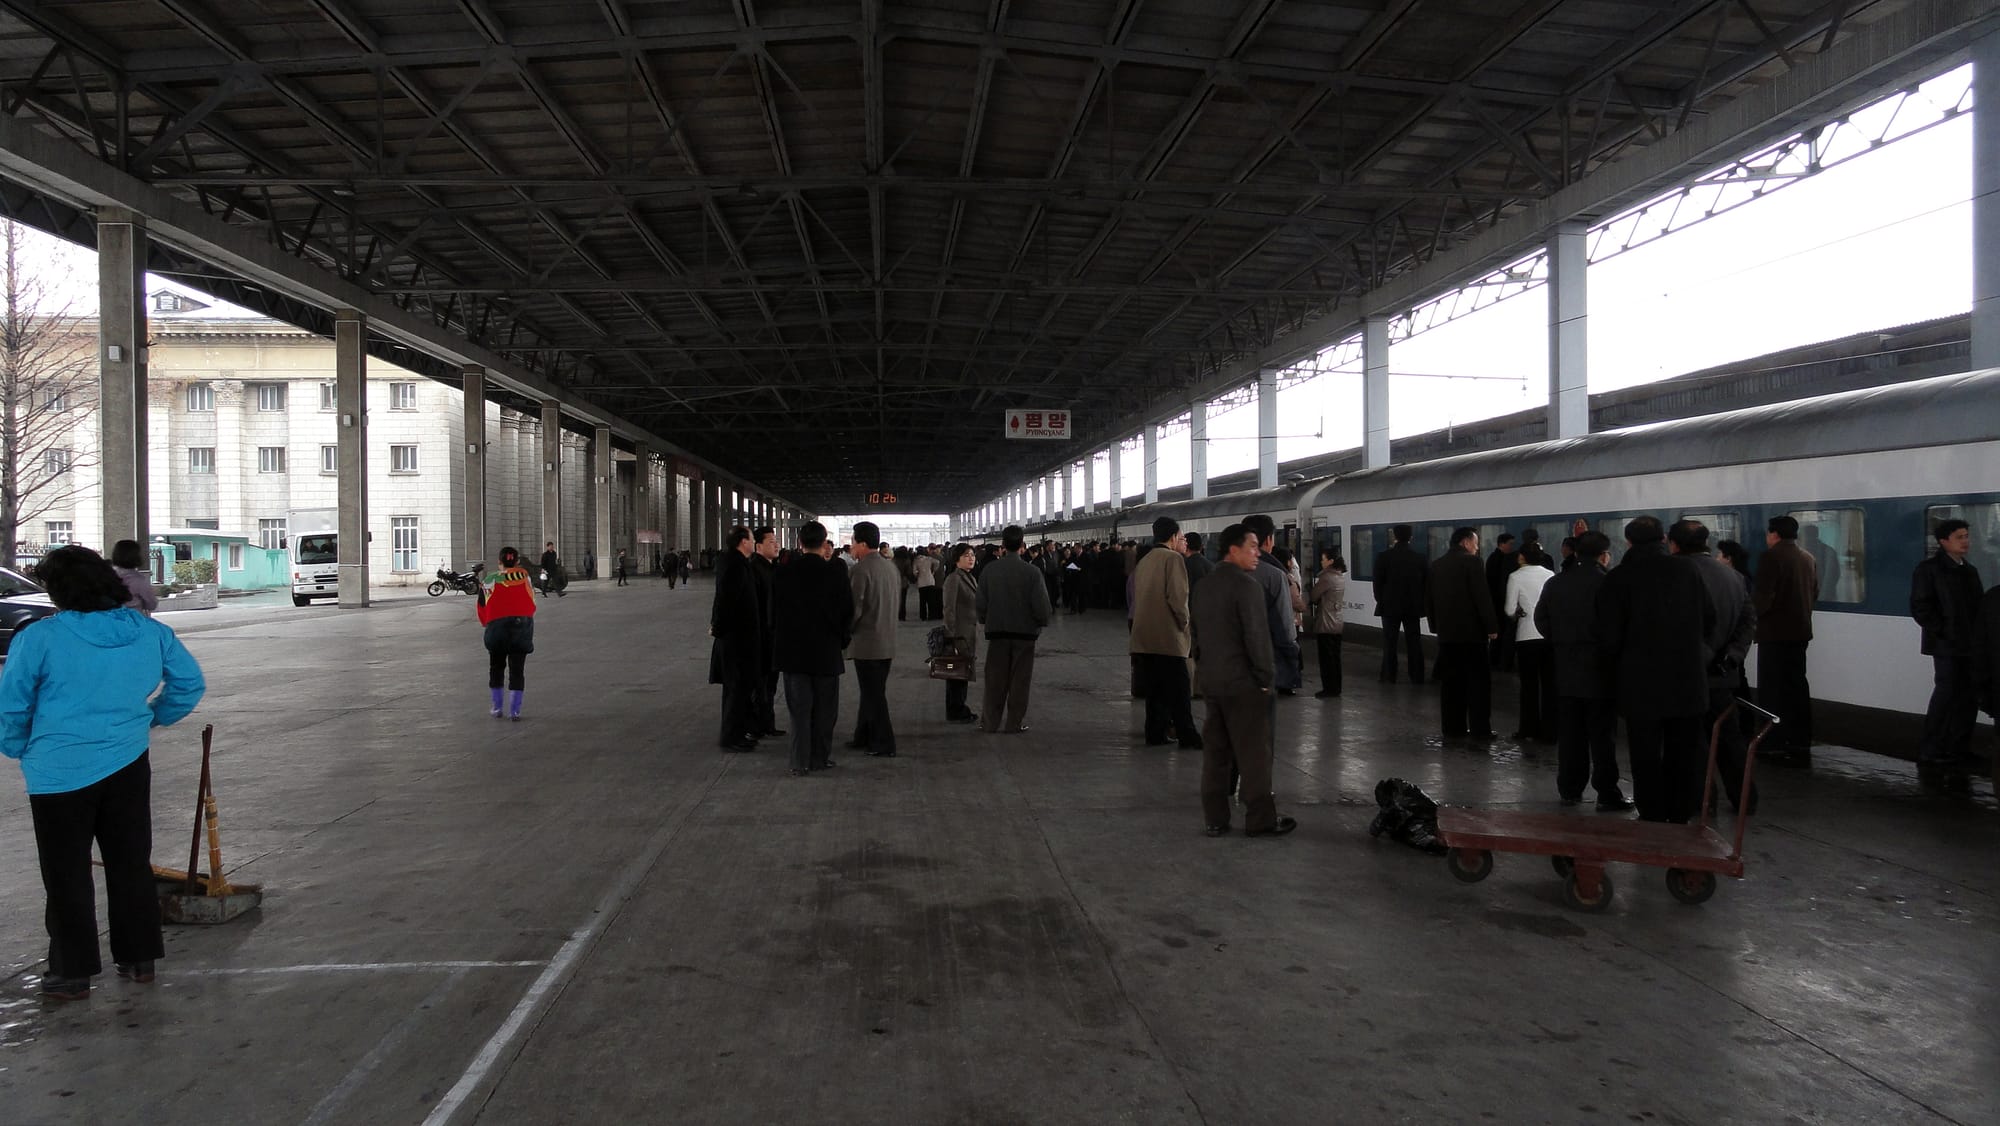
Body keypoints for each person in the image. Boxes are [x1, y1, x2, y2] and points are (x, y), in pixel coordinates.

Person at [0, 545, 205, 1000]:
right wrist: (153, 716)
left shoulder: (39, 638)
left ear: (58, 592)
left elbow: (11, 704)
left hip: (57, 773)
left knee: (67, 873)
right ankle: (139, 958)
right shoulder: (149, 633)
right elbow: (189, 684)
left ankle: (72, 973)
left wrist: (19, 747)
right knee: (129, 863)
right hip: (128, 763)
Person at [1598, 516, 1715, 823]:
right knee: (1683, 753)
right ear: (1664, 538)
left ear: (1628, 542)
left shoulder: (1618, 579)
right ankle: (1679, 813)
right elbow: (1709, 619)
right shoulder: (1688, 570)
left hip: (1640, 684)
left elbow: (1609, 638)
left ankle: (1651, 813)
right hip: (1686, 681)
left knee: (1645, 754)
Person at [1191, 524, 1294, 838]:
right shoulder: (1247, 587)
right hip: (1244, 685)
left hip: (1212, 681)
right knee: (1254, 756)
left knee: (1216, 754)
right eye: (1251, 546)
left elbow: (1196, 635)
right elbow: (1257, 639)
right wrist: (1265, 678)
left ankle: (1215, 819)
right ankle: (1260, 819)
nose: (1258, 553)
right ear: (1232, 550)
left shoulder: (1204, 586)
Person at [1534, 532, 1629, 810]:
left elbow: (1541, 619)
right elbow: (1618, 626)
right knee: (1602, 736)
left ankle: (1570, 789)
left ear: (1575, 554)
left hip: (1564, 669)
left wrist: (1560, 642)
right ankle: (1606, 792)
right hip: (1601, 671)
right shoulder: (1609, 584)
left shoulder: (1556, 583)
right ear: (1604, 556)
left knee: (1570, 734)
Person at [1671, 520, 1758, 813]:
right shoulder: (1734, 577)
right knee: (1729, 739)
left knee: (1691, 740)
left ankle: (1702, 800)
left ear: (1674, 544)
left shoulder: (1674, 575)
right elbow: (1748, 622)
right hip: (1723, 674)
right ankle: (1745, 798)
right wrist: (1732, 655)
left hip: (1685, 674)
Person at [1910, 519, 1985, 794]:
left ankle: (1958, 748)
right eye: (1959, 537)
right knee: (1947, 694)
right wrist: (1944, 631)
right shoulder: (1929, 570)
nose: (1965, 541)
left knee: (1967, 696)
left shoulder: (1970, 571)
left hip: (1968, 645)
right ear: (1944, 541)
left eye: (1966, 536)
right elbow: (1920, 606)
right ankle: (1932, 749)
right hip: (1946, 646)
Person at [772, 521, 852, 776]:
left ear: (800, 543)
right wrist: (841, 640)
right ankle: (820, 757)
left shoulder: (783, 573)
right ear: (824, 542)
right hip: (826, 652)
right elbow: (846, 612)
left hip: (793, 653)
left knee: (799, 710)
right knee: (825, 710)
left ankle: (799, 761)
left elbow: (773, 613)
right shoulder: (836, 573)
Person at [1130, 517, 1201, 749]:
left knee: (1155, 691)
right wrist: (1185, 623)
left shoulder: (1145, 560)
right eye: (1180, 537)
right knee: (1180, 690)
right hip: (1169, 638)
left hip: (1145, 638)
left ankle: (1155, 733)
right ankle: (1187, 735)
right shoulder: (1173, 559)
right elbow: (1178, 598)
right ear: (1172, 537)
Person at [1753, 515, 1818, 767]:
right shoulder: (1808, 558)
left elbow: (1763, 598)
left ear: (1774, 534)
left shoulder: (1771, 557)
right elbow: (1815, 591)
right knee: (1797, 686)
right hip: (1800, 632)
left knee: (1772, 691)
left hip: (1774, 633)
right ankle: (1800, 738)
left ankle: (1772, 742)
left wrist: (1752, 617)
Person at [975, 525, 1052, 733]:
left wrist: (985, 619)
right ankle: (1014, 723)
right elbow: (1042, 607)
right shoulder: (1032, 572)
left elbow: (980, 603)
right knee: (1020, 681)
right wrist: (1040, 622)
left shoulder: (989, 571)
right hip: (1025, 636)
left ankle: (990, 723)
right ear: (1022, 545)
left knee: (994, 680)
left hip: (997, 634)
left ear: (1002, 545)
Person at [1428, 527, 1498, 738]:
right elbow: (1481, 597)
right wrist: (1492, 627)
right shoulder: (1473, 562)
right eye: (1475, 543)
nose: (1477, 547)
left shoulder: (1436, 565)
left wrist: (1435, 626)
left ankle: (1452, 728)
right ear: (1466, 542)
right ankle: (1480, 729)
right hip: (1472, 635)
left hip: (1447, 635)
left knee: (1451, 684)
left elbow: (1429, 599)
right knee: (1478, 684)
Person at [846, 521, 900, 757]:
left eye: (853, 542)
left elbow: (855, 608)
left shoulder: (860, 570)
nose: (851, 547)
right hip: (887, 640)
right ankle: (863, 735)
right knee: (872, 691)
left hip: (868, 642)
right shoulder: (891, 568)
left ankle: (884, 743)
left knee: (873, 695)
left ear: (862, 543)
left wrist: (845, 631)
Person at [709, 527, 761, 752]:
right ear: (743, 542)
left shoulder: (738, 562)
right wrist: (719, 628)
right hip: (736, 639)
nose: (754, 542)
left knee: (738, 689)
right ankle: (731, 737)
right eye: (751, 539)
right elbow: (725, 600)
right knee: (736, 688)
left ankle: (737, 732)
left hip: (739, 637)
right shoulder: (734, 565)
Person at [1244, 516, 1301, 716]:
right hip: (1263, 658)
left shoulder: (1217, 572)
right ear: (1268, 540)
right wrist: (1292, 654)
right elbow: (1285, 624)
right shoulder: (1275, 575)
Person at [475, 545, 538, 720]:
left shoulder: (489, 579)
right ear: (517, 561)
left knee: (496, 667)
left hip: (496, 628)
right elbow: (532, 603)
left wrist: (486, 622)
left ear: (499, 562)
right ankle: (515, 710)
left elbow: (481, 606)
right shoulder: (525, 578)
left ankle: (497, 708)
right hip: (521, 627)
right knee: (517, 670)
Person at [1504, 547, 1555, 741]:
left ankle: (1528, 729)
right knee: (1550, 685)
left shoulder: (1516, 576)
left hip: (1526, 636)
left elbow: (1509, 609)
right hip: (1548, 636)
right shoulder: (1550, 574)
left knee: (1529, 686)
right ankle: (1550, 732)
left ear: (1523, 557)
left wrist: (1518, 612)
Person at [1373, 524, 1428, 683]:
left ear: (1394, 537)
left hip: (1389, 607)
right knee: (1414, 642)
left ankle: (1389, 675)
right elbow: (1426, 583)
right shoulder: (1419, 558)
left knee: (1390, 642)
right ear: (1411, 537)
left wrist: (1382, 600)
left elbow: (1377, 584)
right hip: (1412, 607)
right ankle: (1417, 675)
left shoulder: (1383, 557)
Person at [939, 543, 980, 725]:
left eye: (972, 555)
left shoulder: (969, 577)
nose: (971, 558)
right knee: (956, 673)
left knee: (962, 672)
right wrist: (951, 636)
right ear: (956, 559)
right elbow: (948, 609)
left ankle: (959, 707)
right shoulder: (954, 579)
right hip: (958, 635)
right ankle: (956, 710)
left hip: (968, 633)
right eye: (966, 555)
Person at [750, 527, 785, 741]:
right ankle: (757, 725)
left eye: (776, 541)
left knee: (770, 683)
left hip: (773, 636)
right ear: (758, 546)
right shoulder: (755, 569)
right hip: (761, 636)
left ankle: (767, 723)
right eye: (771, 541)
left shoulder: (774, 569)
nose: (776, 544)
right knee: (760, 684)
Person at [1309, 550, 1346, 698]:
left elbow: (1313, 596)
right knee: (1335, 658)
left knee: (1326, 659)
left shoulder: (1326, 578)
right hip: (1337, 621)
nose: (1321, 562)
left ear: (1330, 561)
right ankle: (1336, 687)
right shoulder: (1340, 576)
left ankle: (1328, 689)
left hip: (1325, 622)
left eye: (1323, 559)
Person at [1486, 533, 1519, 670]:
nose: (1512, 547)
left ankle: (1495, 660)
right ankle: (1496, 661)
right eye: (1510, 544)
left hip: (1497, 601)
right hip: (1498, 602)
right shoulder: (1498, 560)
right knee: (1500, 633)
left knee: (1499, 633)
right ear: (1501, 544)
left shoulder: (1494, 558)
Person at [108, 540, 157, 616]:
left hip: (109, 620)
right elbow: (152, 604)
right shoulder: (139, 580)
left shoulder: (106, 576)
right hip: (134, 620)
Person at [914, 546, 942, 621]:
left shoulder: (916, 560)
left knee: (922, 601)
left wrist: (917, 575)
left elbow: (914, 572)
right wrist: (933, 571)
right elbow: (937, 562)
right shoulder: (929, 559)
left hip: (921, 582)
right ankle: (931, 615)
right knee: (931, 600)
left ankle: (923, 616)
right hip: (930, 581)